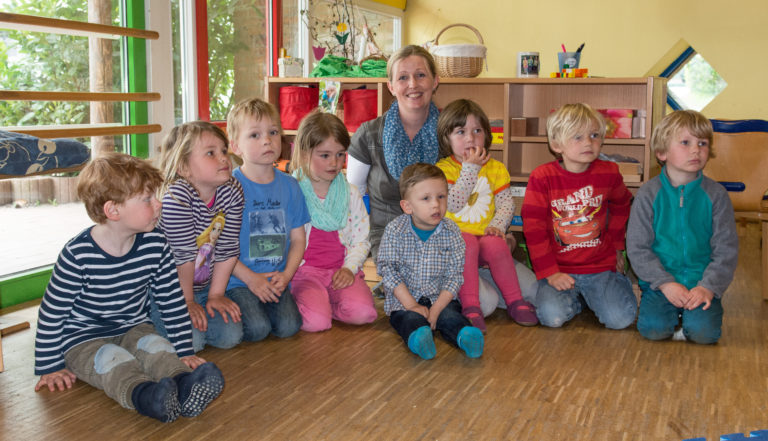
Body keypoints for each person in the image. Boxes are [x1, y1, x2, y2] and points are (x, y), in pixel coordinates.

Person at [34, 152, 224, 423]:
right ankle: (146, 397)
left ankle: (184, 386)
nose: (158, 204)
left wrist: (184, 352)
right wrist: (49, 366)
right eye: (147, 199)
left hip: (134, 326)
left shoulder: (155, 243)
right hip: (83, 339)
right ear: (113, 210)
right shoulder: (77, 255)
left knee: (156, 346)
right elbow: (52, 313)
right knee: (114, 360)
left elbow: (171, 299)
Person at [521, 103, 637, 329]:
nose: (588, 142)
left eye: (594, 135)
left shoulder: (609, 172)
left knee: (621, 320)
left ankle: (600, 293)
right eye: (577, 137)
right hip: (559, 269)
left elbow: (623, 205)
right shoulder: (542, 177)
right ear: (556, 145)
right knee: (552, 318)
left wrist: (616, 248)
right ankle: (582, 301)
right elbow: (533, 230)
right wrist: (550, 273)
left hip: (600, 268)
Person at [627, 110, 738, 344]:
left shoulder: (716, 196)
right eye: (685, 143)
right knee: (653, 331)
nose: (696, 150)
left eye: (702, 143)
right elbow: (638, 248)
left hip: (701, 285)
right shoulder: (648, 194)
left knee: (704, 335)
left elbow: (726, 250)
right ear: (662, 152)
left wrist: (708, 287)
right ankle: (674, 316)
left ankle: (692, 317)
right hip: (661, 285)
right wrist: (665, 284)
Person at [435, 99, 538, 331]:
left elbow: (505, 205)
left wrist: (498, 226)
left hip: (486, 237)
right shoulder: (443, 169)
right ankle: (471, 304)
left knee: (497, 245)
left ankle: (514, 301)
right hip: (457, 242)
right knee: (467, 242)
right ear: (446, 138)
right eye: (461, 132)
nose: (470, 138)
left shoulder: (496, 168)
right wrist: (470, 168)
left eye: (477, 131)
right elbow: (453, 203)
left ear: (486, 135)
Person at [377, 163, 484, 360]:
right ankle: (420, 338)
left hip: (440, 299)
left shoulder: (452, 232)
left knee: (451, 317)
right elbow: (389, 272)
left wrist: (436, 309)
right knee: (408, 320)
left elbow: (454, 277)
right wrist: (411, 305)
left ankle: (466, 336)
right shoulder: (394, 230)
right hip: (404, 301)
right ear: (407, 206)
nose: (436, 204)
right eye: (426, 199)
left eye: (441, 197)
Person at [155, 121, 244, 352]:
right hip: (167, 288)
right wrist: (187, 302)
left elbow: (227, 247)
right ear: (184, 168)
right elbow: (182, 257)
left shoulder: (232, 191)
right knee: (192, 342)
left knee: (230, 336)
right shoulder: (176, 199)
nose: (224, 158)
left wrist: (216, 294)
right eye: (210, 153)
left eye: (224, 150)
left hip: (203, 285)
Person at [347, 44, 440, 260]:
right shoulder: (368, 135)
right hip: (387, 236)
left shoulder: (450, 133)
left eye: (420, 75)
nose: (413, 84)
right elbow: (354, 194)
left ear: (435, 81)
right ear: (390, 86)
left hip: (440, 233)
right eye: (403, 78)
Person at [224, 97, 307, 341]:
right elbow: (221, 246)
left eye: (273, 132)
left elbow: (298, 239)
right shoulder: (229, 187)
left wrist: (287, 275)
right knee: (258, 329)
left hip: (276, 278)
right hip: (238, 280)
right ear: (235, 146)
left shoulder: (291, 186)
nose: (267, 140)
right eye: (255, 135)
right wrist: (250, 280)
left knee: (289, 327)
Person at [289, 111, 378, 332]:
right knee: (316, 323)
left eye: (340, 155)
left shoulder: (350, 193)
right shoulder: (291, 190)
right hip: (304, 273)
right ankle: (316, 304)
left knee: (365, 314)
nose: (335, 163)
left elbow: (361, 240)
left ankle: (328, 303)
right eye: (325, 155)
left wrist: (349, 269)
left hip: (340, 270)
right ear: (304, 152)